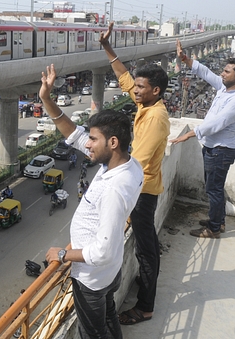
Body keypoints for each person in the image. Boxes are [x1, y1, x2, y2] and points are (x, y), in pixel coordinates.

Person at [40, 64, 144, 339]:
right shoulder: (128, 165)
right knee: (109, 320)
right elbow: (74, 136)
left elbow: (102, 253)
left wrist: (62, 255)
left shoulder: (114, 188)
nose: (87, 145)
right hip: (108, 275)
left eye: (93, 140)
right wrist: (46, 99)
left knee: (92, 333)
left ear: (112, 142)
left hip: (92, 279)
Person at [99, 22, 170, 326]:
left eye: (141, 88)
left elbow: (136, 164)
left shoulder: (155, 118)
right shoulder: (147, 104)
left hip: (142, 192)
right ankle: (149, 281)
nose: (135, 91)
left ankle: (146, 306)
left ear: (155, 91)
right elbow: (125, 79)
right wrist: (107, 47)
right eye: (136, 88)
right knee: (149, 245)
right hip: (145, 189)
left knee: (145, 251)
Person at [170, 39, 235, 238]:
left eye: (226, 72)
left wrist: (190, 134)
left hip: (221, 150)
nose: (222, 74)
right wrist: (186, 60)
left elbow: (217, 123)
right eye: (223, 71)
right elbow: (206, 73)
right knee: (214, 189)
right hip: (214, 148)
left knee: (213, 190)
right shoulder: (225, 88)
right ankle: (218, 221)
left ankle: (214, 228)